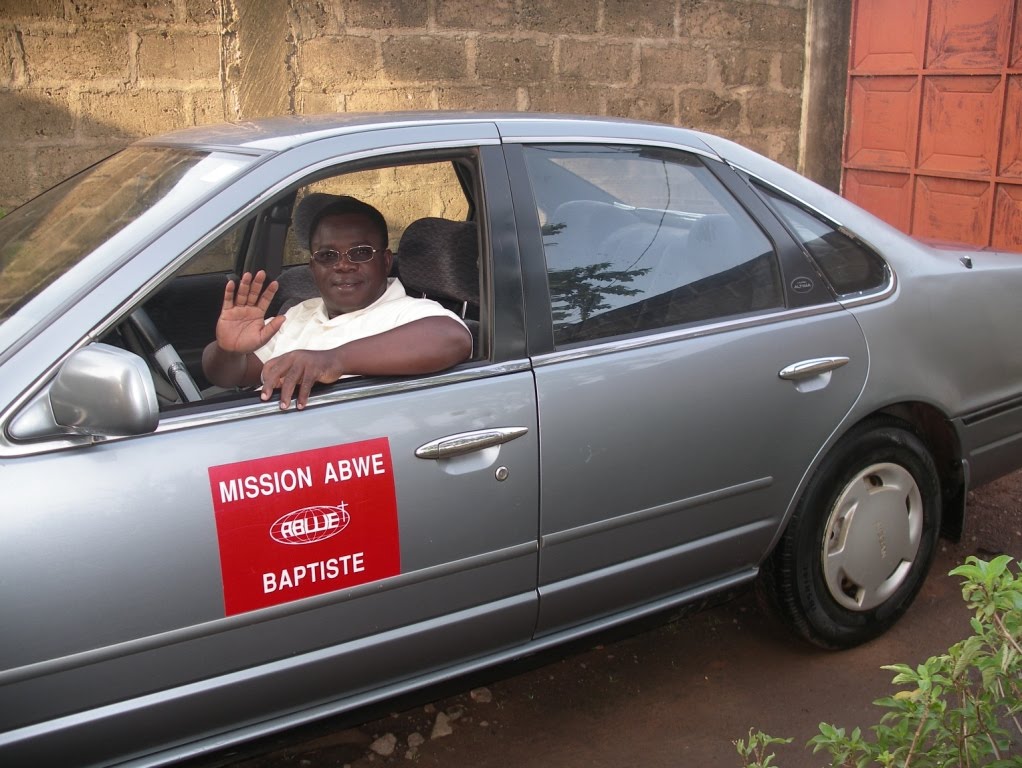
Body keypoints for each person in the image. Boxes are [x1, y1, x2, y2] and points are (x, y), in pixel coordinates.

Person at [202, 195, 473, 411]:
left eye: (360, 252)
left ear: (386, 261)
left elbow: (453, 338)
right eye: (327, 256)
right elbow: (230, 376)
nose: (343, 265)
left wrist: (332, 361)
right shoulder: (299, 313)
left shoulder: (408, 313)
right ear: (312, 267)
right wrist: (229, 351)